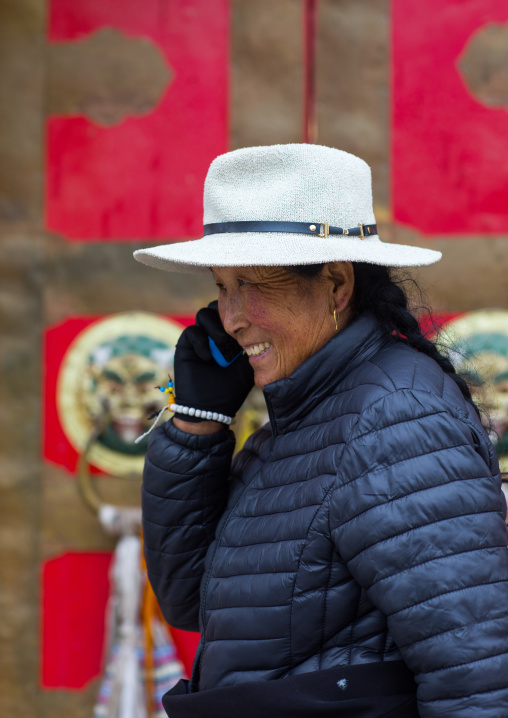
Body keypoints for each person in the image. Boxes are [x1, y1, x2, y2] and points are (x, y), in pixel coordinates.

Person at [133, 144, 508, 717]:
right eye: (221, 286)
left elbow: (477, 677)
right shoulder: (306, 414)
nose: (230, 317)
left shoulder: (395, 417)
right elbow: (188, 598)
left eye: (252, 284)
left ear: (336, 285)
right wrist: (196, 421)